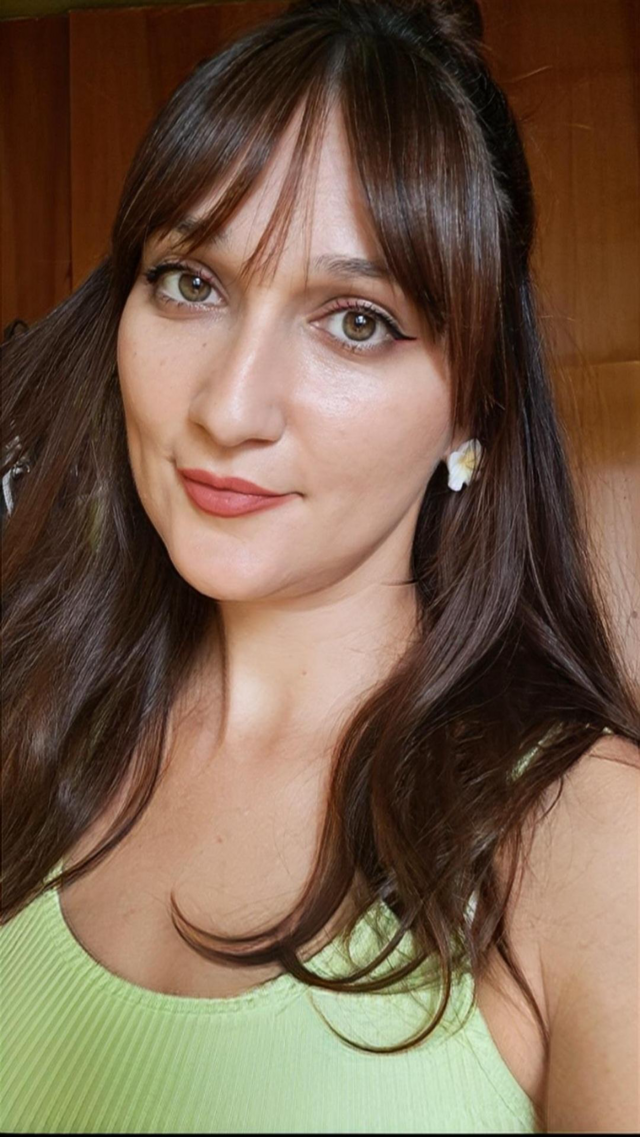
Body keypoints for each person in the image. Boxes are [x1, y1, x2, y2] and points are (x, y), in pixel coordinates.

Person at [1, 0, 638, 1132]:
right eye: (191, 282)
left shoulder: (589, 838)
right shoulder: (29, 721)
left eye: (355, 321)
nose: (230, 407)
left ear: (472, 404)